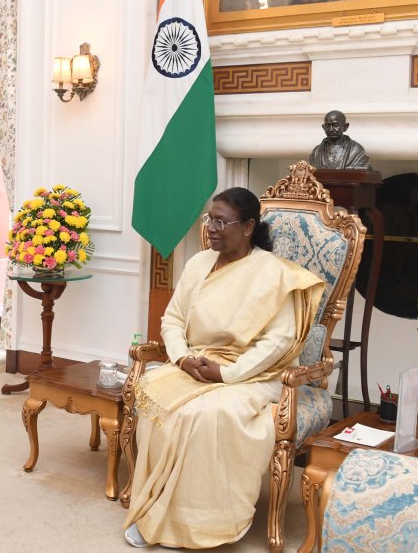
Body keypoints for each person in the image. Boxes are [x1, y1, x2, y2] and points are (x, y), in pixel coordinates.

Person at [123, 188, 325, 548]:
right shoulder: (198, 263)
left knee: (205, 414)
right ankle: (154, 509)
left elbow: (278, 344)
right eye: (209, 219)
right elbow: (172, 319)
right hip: (195, 363)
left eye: (221, 221)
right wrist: (183, 358)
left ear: (248, 226)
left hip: (256, 375)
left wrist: (226, 374)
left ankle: (198, 525)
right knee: (155, 397)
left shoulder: (275, 274)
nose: (211, 228)